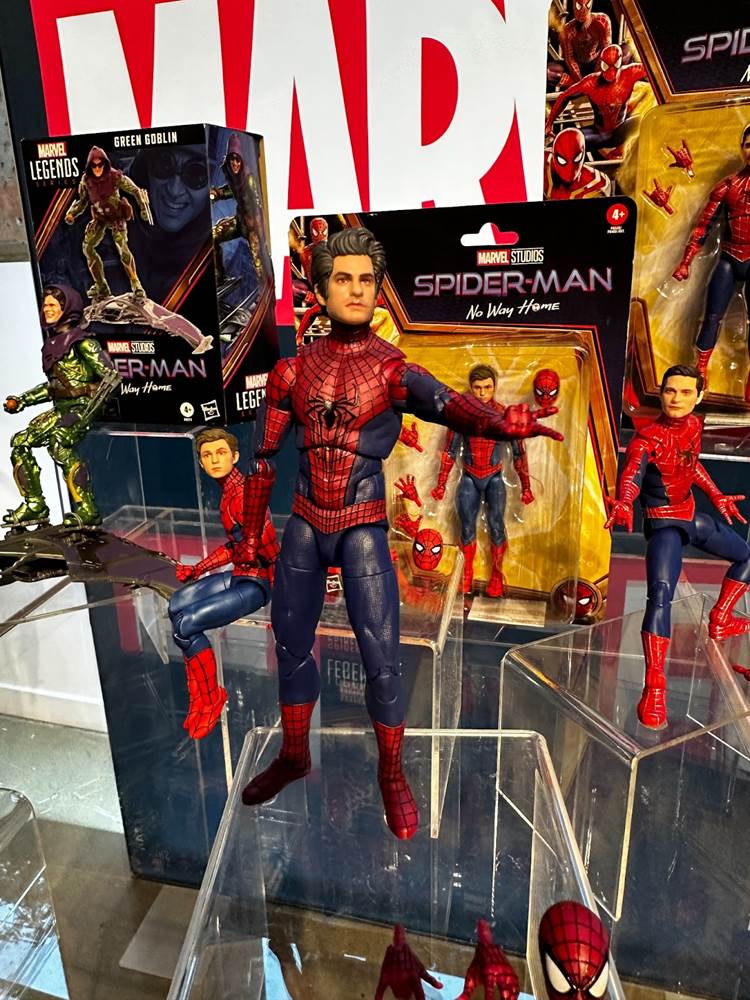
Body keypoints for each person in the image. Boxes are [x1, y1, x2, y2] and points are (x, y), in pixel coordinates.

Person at [237, 227, 562, 840]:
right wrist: (251, 541)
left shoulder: (391, 370)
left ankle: (391, 771)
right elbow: (260, 460)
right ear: (320, 289)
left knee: (383, 660)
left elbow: (449, 404)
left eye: (366, 279)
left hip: (362, 525)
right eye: (343, 279)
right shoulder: (291, 371)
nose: (356, 290)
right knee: (290, 646)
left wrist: (502, 420)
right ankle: (295, 754)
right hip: (305, 521)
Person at [605, 365, 750, 729]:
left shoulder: (695, 425)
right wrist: (624, 501)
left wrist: (715, 495)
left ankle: (720, 619)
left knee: (746, 556)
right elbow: (633, 474)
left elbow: (690, 464)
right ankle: (654, 687)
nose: (676, 399)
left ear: (699, 396)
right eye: (670, 391)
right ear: (661, 393)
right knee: (660, 596)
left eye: (686, 392)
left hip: (690, 515)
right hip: (664, 525)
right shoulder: (646, 439)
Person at [169, 428, 278, 739]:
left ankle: (211, 698)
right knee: (176, 606)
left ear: (235, 456)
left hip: (258, 582)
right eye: (207, 455)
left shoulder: (244, 496)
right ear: (201, 463)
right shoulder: (229, 495)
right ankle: (200, 696)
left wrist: (256, 548)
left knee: (186, 625)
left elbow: (269, 548)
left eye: (220, 453)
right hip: (240, 573)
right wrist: (198, 568)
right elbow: (235, 547)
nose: (214, 460)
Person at [3, 284, 119, 528]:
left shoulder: (83, 343)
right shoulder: (53, 345)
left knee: (59, 442)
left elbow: (110, 378)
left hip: (82, 408)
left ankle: (87, 510)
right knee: (20, 441)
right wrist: (23, 400)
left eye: (52, 305)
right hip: (62, 409)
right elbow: (52, 388)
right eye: (45, 305)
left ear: (67, 308)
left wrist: (91, 410)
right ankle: (35, 505)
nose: (47, 309)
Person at [432, 365, 534, 597]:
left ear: (494, 387)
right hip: (469, 476)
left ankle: (496, 574)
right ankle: (466, 573)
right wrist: (440, 484)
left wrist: (526, 486)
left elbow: (518, 452)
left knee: (496, 525)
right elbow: (449, 451)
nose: (482, 392)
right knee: (466, 526)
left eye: (487, 387)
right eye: (477, 387)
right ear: (471, 387)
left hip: (495, 477)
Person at [673, 124, 750, 398]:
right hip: (729, 257)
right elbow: (703, 226)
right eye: (749, 145)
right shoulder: (728, 185)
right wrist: (686, 261)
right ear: (742, 148)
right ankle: (700, 369)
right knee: (712, 316)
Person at [65, 146, 152, 301]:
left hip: (117, 217)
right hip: (99, 218)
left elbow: (135, 190)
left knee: (123, 249)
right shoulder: (86, 181)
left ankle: (136, 285)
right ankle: (101, 286)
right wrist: (72, 213)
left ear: (105, 164)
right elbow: (82, 201)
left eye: (100, 165)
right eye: (94, 166)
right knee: (88, 247)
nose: (97, 168)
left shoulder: (115, 176)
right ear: (89, 167)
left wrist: (143, 209)